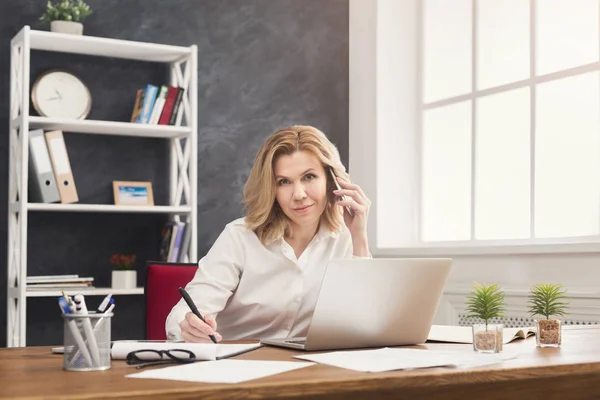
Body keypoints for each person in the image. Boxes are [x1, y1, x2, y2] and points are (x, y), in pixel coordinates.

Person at [165, 125, 371, 342]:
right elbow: (180, 317)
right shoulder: (239, 237)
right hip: (236, 365)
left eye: (309, 177)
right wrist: (188, 327)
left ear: (332, 181)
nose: (299, 194)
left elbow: (366, 322)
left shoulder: (345, 238)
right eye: (283, 182)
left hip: (308, 370)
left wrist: (360, 237)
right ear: (271, 189)